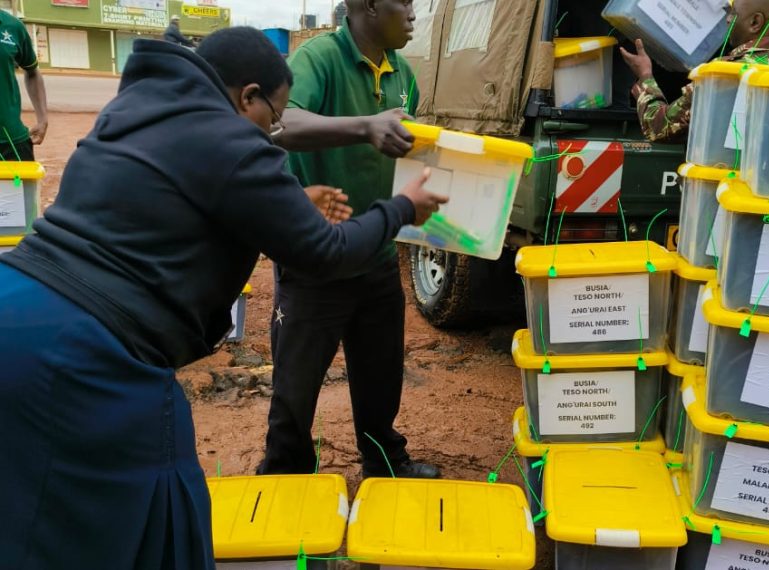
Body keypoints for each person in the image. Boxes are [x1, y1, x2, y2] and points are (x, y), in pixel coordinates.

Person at [0, 27, 445, 568]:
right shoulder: (231, 139)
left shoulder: (137, 107)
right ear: (247, 96)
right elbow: (324, 251)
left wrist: (283, 201)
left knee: (31, 510)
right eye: (274, 115)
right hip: (94, 348)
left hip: (17, 306)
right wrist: (401, 208)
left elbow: (178, 199)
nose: (273, 131)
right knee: (162, 526)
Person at [258, 0, 440, 479]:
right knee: (295, 385)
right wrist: (365, 127)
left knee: (380, 374)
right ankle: (286, 471)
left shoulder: (404, 73)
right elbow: (280, 124)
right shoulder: (317, 59)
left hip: (377, 252)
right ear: (370, 7)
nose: (414, 14)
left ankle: (383, 460)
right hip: (316, 259)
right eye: (405, 4)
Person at [620, 0, 769, 143]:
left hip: (728, 195)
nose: (727, 20)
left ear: (755, 22)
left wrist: (645, 76)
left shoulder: (723, 74)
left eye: (733, 14)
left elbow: (660, 128)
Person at [1, 9, 47, 161]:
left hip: (12, 144)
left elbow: (32, 72)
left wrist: (42, 119)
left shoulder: (13, 27)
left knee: (17, 184)